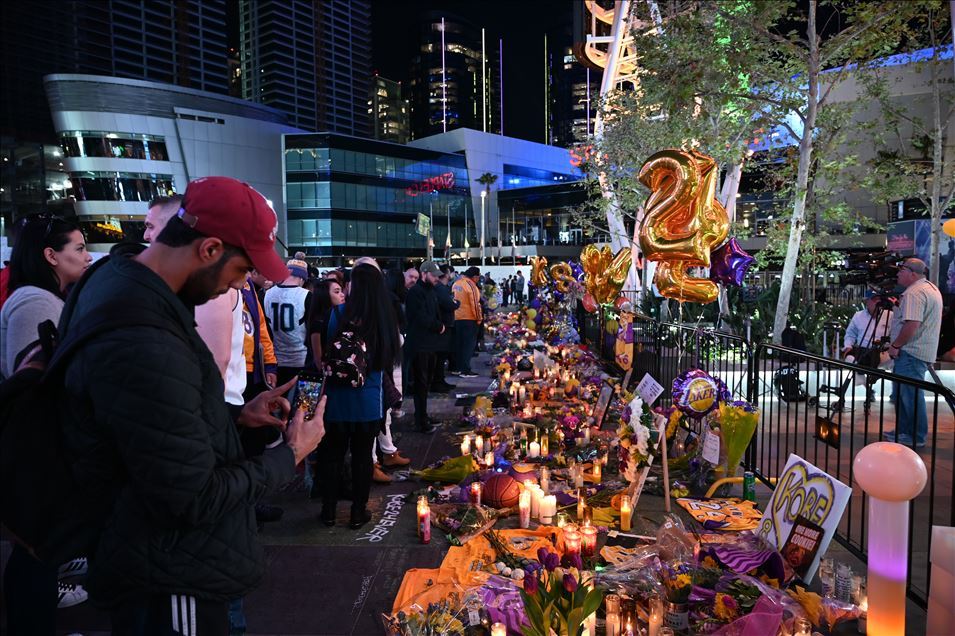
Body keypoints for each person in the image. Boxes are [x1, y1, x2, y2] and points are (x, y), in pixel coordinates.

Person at [54, 176, 327, 632]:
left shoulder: (123, 284)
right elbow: (191, 497)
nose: (237, 287)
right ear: (209, 249)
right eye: (241, 272)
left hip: (154, 553)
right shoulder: (143, 332)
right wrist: (290, 455)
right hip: (171, 571)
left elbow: (148, 423)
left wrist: (234, 415)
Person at [1, 214, 93, 633]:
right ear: (50, 255)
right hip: (37, 444)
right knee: (36, 549)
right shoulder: (35, 302)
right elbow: (32, 385)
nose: (87, 255)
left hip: (40, 441)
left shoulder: (45, 297)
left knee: (40, 549)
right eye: (78, 248)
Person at [318, 263, 399, 528]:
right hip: (368, 399)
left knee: (332, 455)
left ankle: (328, 511)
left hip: (335, 399)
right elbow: (387, 359)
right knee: (363, 456)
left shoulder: (337, 313)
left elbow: (326, 353)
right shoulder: (383, 318)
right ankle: (357, 512)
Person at [886, 258, 943, 448]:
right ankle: (904, 431)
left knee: (910, 395)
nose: (898, 273)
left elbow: (912, 323)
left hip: (911, 352)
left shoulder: (914, 293)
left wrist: (895, 345)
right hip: (920, 350)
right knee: (905, 394)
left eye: (901, 270)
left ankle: (915, 435)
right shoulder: (930, 289)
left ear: (912, 273)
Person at [404, 261, 446, 434]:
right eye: (434, 275)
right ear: (424, 274)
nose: (437, 278)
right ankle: (420, 420)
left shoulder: (431, 291)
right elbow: (421, 317)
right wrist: (438, 326)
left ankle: (424, 415)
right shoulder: (415, 292)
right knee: (421, 383)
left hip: (430, 344)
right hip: (419, 344)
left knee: (426, 382)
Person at [264, 258, 311, 386]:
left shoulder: (267, 294)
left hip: (275, 359)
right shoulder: (306, 295)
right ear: (302, 278)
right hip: (300, 358)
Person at [430, 264, 459, 393]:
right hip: (443, 326)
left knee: (442, 356)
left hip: (443, 325)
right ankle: (438, 383)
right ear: (447, 274)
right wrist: (457, 303)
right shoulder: (440, 289)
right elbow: (449, 304)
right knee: (440, 356)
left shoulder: (441, 288)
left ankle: (440, 381)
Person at [452, 266, 482, 378]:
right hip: (469, 318)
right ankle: (465, 370)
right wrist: (479, 318)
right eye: (478, 277)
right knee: (468, 346)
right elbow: (475, 303)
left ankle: (457, 368)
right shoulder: (470, 285)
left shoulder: (456, 283)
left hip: (457, 318)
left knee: (459, 345)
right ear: (474, 276)